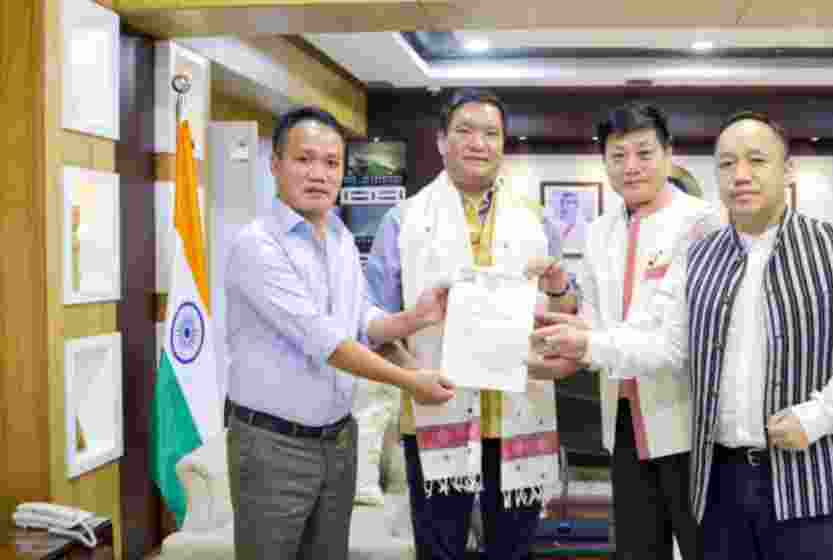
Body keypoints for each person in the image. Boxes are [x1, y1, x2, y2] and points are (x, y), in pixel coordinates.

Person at [534, 111, 833, 560]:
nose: (740, 175)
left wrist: (814, 417)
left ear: (788, 169)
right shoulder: (701, 256)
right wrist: (581, 341)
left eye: (756, 160)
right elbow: (669, 342)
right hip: (717, 469)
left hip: (799, 470)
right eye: (726, 164)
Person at [225, 106, 456, 560]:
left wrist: (415, 319)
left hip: (337, 443)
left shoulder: (340, 237)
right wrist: (413, 383)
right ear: (276, 164)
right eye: (304, 159)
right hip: (273, 446)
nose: (318, 174)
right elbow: (327, 343)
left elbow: (361, 320)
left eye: (331, 163)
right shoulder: (257, 245)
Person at [366, 88, 573, 560]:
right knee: (440, 551)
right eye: (465, 131)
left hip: (518, 412)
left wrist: (560, 287)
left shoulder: (535, 220)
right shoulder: (404, 220)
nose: (478, 143)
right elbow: (372, 320)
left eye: (491, 133)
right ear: (441, 141)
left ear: (503, 145)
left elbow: (567, 316)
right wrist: (411, 375)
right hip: (436, 411)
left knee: (513, 551)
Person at [528, 103, 721, 559]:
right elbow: (596, 318)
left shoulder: (702, 224)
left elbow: (682, 341)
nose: (631, 167)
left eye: (643, 153)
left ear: (669, 154)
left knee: (704, 547)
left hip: (689, 424)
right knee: (637, 548)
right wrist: (562, 331)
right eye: (618, 156)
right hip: (623, 422)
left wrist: (587, 342)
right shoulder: (600, 232)